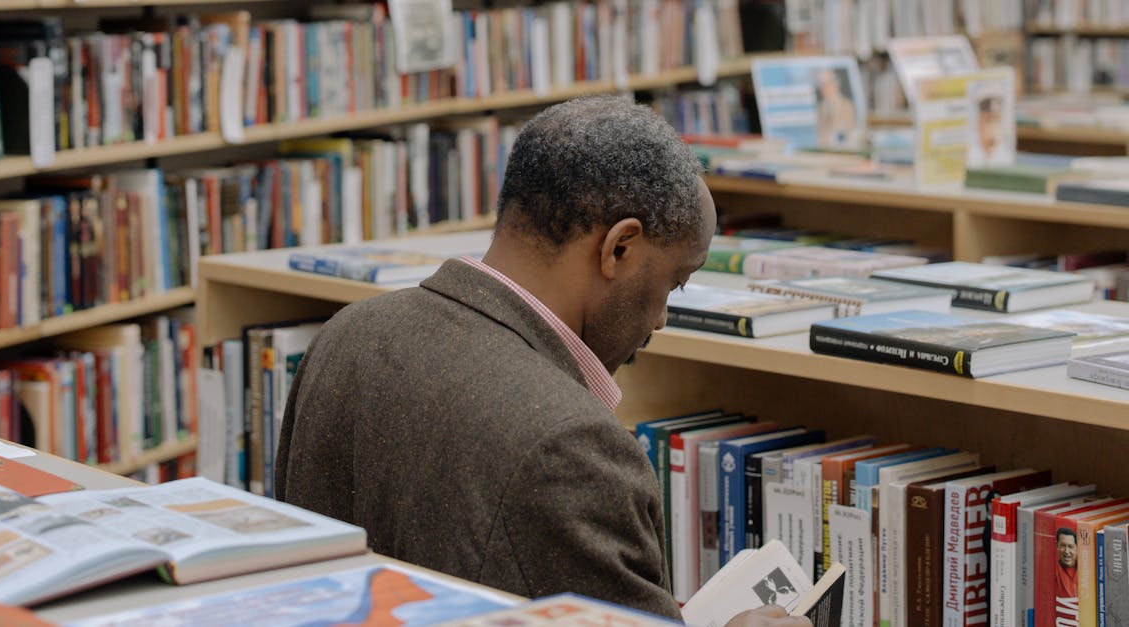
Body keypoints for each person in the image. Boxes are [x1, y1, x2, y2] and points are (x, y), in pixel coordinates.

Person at [275, 96, 809, 626]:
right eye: (674, 281)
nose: (663, 319)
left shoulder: (345, 335)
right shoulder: (575, 447)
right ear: (619, 248)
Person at [815, 67, 858, 148]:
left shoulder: (847, 105)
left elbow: (849, 132)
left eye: (826, 84)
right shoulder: (821, 107)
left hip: (842, 151)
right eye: (821, 85)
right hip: (824, 151)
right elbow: (820, 132)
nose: (823, 88)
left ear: (835, 84)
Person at [1056, 527, 1078, 601]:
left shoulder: (1087, 571)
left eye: (1070, 546)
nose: (1066, 551)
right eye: (1063, 546)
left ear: (1077, 549)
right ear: (1057, 547)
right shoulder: (1051, 572)